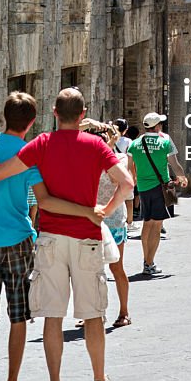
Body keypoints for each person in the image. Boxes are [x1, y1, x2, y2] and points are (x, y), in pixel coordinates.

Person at [0, 87, 133, 381]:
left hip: (51, 239)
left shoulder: (42, 144)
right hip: (87, 238)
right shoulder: (96, 146)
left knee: (53, 316)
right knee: (94, 315)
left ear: (55, 114)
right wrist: (103, 207)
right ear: (83, 114)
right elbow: (126, 183)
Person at [82, 120, 133, 328]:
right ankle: (94, 312)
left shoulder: (119, 158)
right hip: (93, 219)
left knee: (116, 268)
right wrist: (87, 124)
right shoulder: (85, 159)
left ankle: (124, 311)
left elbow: (117, 181)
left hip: (112, 219)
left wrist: (110, 146)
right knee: (90, 269)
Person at [126, 112, 188, 275]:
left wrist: (133, 181)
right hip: (160, 187)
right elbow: (174, 164)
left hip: (143, 187)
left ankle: (146, 260)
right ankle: (149, 263)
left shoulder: (134, 144)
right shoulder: (165, 141)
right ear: (158, 126)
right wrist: (182, 177)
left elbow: (130, 168)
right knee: (157, 225)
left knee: (147, 223)